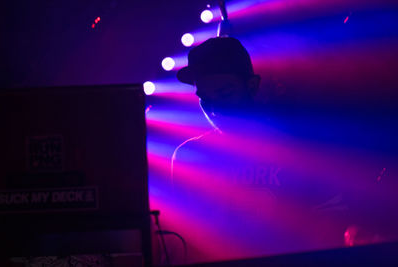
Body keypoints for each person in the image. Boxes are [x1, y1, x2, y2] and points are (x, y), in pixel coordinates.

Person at [170, 37, 396, 263]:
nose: (213, 107)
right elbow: (184, 243)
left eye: (224, 93)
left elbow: (339, 223)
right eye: (204, 98)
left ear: (252, 86)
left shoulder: (300, 147)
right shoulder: (190, 156)